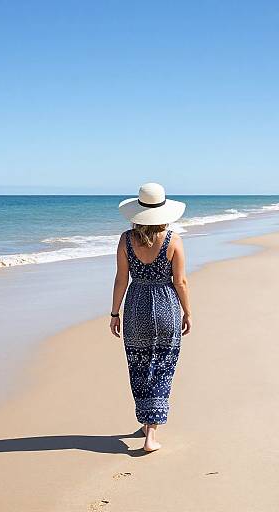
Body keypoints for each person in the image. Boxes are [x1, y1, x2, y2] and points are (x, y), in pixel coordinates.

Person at [110, 182, 192, 453]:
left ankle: (147, 423)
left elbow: (121, 278)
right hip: (166, 306)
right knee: (162, 367)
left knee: (139, 366)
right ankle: (150, 435)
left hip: (135, 306)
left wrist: (114, 312)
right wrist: (188, 311)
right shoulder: (173, 240)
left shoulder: (125, 239)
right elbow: (180, 281)